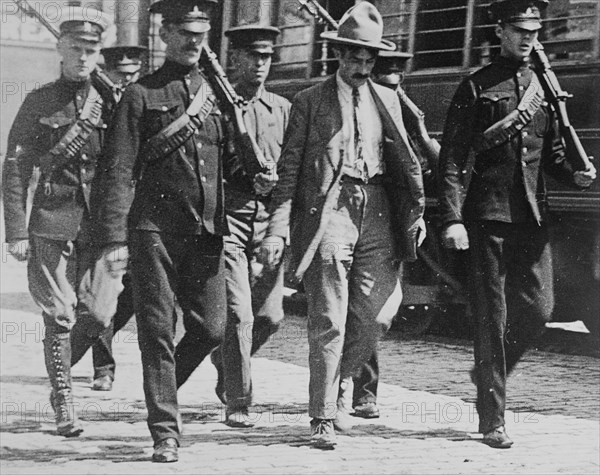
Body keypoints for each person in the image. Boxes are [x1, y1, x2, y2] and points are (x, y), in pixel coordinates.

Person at [260, 2, 425, 449]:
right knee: (329, 317)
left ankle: (338, 384)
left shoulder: (388, 98)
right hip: (329, 210)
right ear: (339, 56)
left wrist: (417, 214)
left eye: (370, 60)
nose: (362, 67)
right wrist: (277, 228)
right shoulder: (309, 101)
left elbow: (405, 164)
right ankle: (323, 416)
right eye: (355, 58)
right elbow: (290, 169)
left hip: (378, 210)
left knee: (379, 313)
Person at [439, 0, 596, 449]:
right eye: (519, 29)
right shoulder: (475, 87)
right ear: (501, 29)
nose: (528, 37)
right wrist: (452, 217)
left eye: (534, 29)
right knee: (493, 316)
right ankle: (493, 419)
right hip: (487, 215)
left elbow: (552, 157)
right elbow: (451, 159)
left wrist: (575, 175)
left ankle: (490, 371)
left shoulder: (544, 87)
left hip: (531, 215)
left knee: (540, 308)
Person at [90, 0, 230, 463]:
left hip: (206, 230)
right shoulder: (140, 94)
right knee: (157, 329)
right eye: (185, 32)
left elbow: (226, 165)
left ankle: (163, 388)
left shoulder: (216, 92)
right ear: (165, 34)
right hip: (154, 232)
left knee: (213, 328)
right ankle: (165, 431)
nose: (194, 41)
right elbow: (117, 170)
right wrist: (113, 239)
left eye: (201, 31)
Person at [2, 7, 117, 437]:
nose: (84, 57)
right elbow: (16, 167)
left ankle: (65, 366)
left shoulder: (112, 100)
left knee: (101, 313)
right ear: (60, 50)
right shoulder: (39, 102)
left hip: (102, 224)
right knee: (60, 314)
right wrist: (16, 230)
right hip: (51, 219)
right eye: (76, 49)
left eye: (91, 50)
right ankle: (64, 401)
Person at [180, 25, 290, 428]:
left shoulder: (282, 109)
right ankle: (238, 401)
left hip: (268, 221)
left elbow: (291, 168)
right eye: (252, 56)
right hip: (227, 220)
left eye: (266, 57)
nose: (260, 64)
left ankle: (225, 360)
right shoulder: (213, 106)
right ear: (235, 60)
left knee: (269, 317)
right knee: (239, 315)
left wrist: (275, 191)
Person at [350, 49, 415, 421]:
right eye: (385, 80)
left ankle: (361, 387)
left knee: (374, 308)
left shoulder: (402, 114)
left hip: (388, 218)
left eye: (398, 81)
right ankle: (357, 389)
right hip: (355, 212)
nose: (393, 87)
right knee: (351, 307)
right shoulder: (363, 112)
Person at [88, 43, 147, 392]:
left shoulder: (141, 103)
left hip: (142, 207)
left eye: (134, 75)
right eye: (121, 75)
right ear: (107, 72)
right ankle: (103, 367)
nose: (128, 81)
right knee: (105, 289)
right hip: (105, 210)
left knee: (135, 292)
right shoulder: (95, 106)